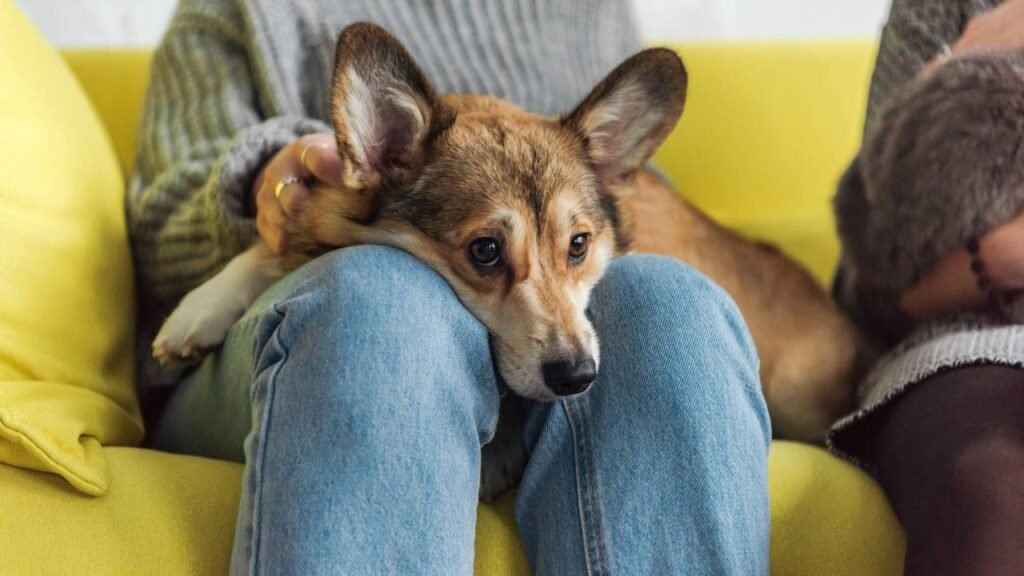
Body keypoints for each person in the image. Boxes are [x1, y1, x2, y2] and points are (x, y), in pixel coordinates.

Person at [128, 0, 770, 574]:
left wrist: (574, 234)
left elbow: (614, 196)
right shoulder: (233, 11)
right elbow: (155, 230)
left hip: (506, 238)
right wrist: (259, 184)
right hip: (292, 340)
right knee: (384, 300)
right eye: (487, 252)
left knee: (673, 303)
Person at [831, 1, 1024, 574]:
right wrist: (956, 64)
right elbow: (880, 279)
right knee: (993, 485)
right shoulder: (948, 10)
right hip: (969, 351)